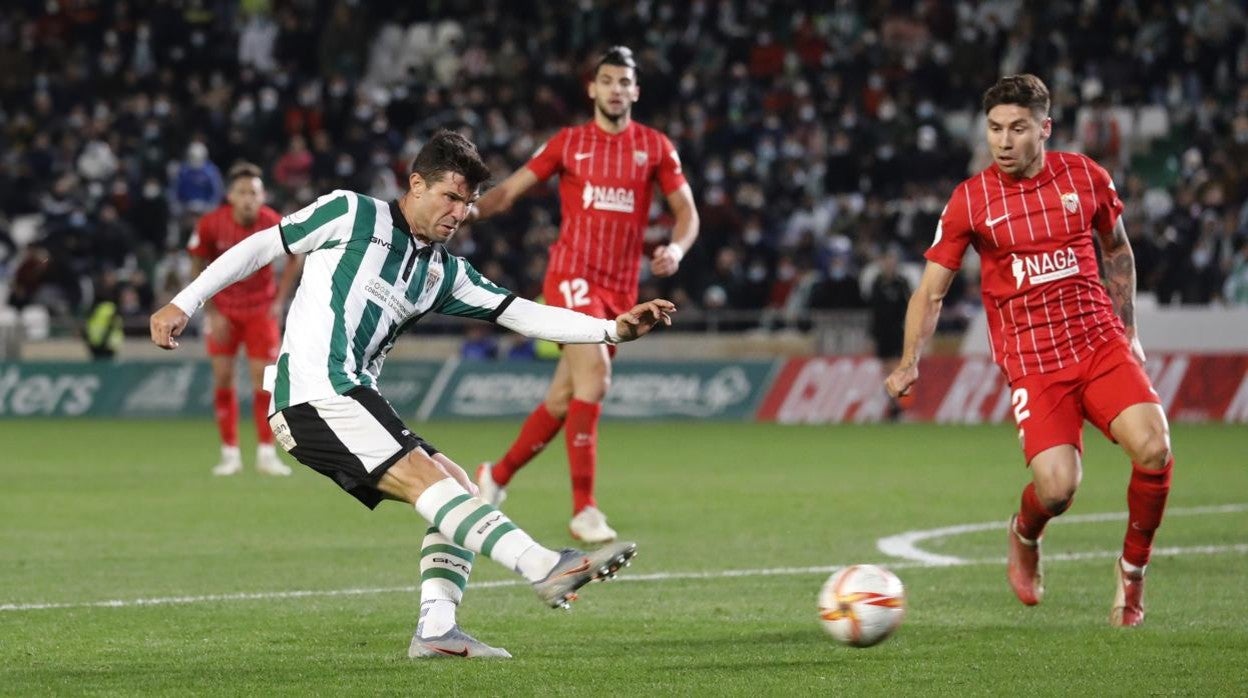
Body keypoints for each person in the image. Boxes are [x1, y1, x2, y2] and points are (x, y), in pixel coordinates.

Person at [150, 130, 673, 658]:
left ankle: (437, 629)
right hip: (312, 392)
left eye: (468, 203)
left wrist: (610, 330)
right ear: (416, 184)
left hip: (353, 396)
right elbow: (262, 246)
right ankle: (542, 566)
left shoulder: (444, 272)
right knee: (431, 481)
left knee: (459, 486)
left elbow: (521, 312)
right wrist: (184, 303)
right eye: (450, 196)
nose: (460, 213)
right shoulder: (350, 213)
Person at [884, 75, 1173, 628]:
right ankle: (1024, 533)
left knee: (1156, 449)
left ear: (1044, 128)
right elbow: (931, 291)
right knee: (1058, 489)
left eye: (1017, 128)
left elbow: (1117, 251)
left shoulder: (1086, 177)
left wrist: (1129, 329)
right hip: (1034, 360)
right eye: (994, 129)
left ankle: (1132, 577)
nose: (1003, 141)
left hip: (1098, 341)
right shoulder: (970, 201)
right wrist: (909, 360)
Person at [468, 46, 700, 543]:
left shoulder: (655, 147)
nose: (616, 89)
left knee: (564, 397)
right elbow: (508, 192)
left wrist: (677, 250)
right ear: (591, 89)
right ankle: (584, 509)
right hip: (573, 276)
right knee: (595, 377)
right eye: (608, 81)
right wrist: (465, 212)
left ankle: (496, 476)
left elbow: (687, 213)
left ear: (635, 91)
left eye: (625, 82)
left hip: (620, 291)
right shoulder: (569, 143)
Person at [188, 161, 303, 476]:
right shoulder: (211, 224)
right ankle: (230, 454)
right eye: (242, 192)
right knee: (223, 378)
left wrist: (279, 301)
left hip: (260, 312)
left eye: (254, 192)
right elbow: (196, 264)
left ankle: (266, 453)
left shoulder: (272, 222)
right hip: (223, 311)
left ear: (263, 195)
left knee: (264, 383)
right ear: (230, 196)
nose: (248, 198)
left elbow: (297, 255)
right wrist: (210, 310)